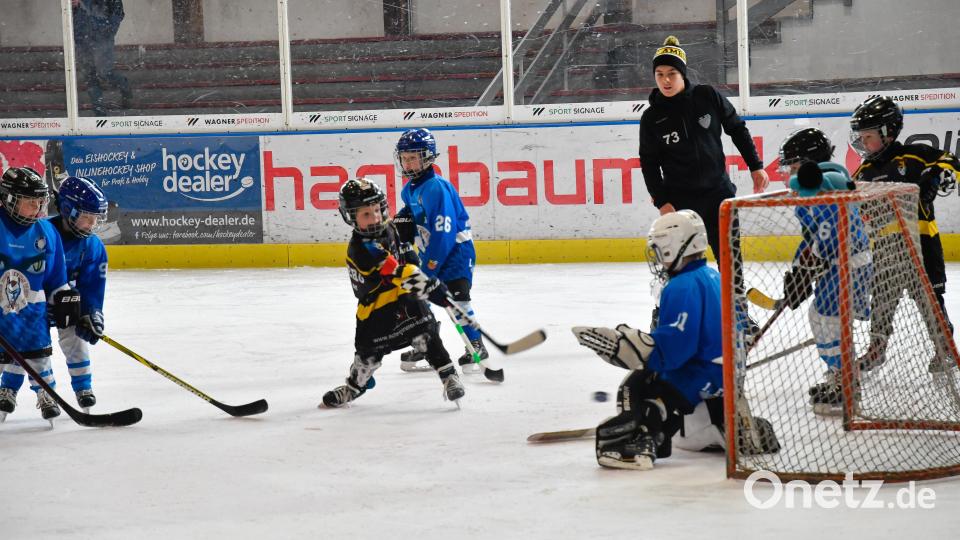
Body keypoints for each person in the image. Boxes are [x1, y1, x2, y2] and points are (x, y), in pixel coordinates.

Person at [572, 210, 779, 470]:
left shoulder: (680, 287)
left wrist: (631, 348)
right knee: (664, 384)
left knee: (640, 385)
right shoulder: (716, 276)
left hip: (701, 374)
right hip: (728, 377)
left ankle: (643, 440)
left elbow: (676, 349)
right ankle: (726, 424)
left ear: (673, 247)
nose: (657, 256)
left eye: (659, 248)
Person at [638, 36, 767, 343]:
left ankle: (738, 312)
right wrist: (662, 202)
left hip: (718, 194)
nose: (666, 80)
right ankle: (667, 313)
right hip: (680, 202)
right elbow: (648, 163)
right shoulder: (652, 118)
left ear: (683, 75)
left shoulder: (707, 96)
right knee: (678, 263)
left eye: (672, 74)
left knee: (729, 258)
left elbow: (737, 127)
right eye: (660, 75)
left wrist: (756, 165)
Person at [321, 178, 464, 408]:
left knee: (426, 333)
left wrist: (412, 258)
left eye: (377, 210)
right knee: (368, 356)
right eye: (366, 214)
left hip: (404, 298)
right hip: (375, 309)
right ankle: (354, 387)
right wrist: (428, 286)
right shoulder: (361, 248)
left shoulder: (389, 227)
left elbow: (403, 252)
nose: (375, 217)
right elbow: (396, 270)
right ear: (351, 217)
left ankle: (448, 375)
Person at [849, 96, 959, 373]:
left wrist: (938, 175)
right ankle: (877, 349)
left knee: (931, 299)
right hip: (886, 248)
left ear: (888, 132)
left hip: (923, 244)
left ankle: (944, 347)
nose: (863, 142)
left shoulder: (913, 155)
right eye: (860, 137)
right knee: (883, 300)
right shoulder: (864, 171)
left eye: (868, 136)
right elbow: (854, 208)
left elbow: (950, 160)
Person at [393, 128, 503, 383]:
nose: (408, 163)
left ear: (428, 157)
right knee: (418, 302)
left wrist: (429, 268)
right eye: (405, 157)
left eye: (414, 157)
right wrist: (403, 221)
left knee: (458, 299)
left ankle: (476, 346)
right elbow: (412, 216)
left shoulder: (437, 188)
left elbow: (444, 233)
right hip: (431, 252)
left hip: (455, 253)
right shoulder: (409, 189)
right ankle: (426, 345)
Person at [778, 130, 871, 415]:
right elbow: (811, 237)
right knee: (823, 318)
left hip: (851, 266)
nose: (791, 173)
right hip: (838, 267)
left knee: (828, 319)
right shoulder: (812, 191)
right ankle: (839, 377)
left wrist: (810, 267)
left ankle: (844, 382)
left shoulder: (828, 187)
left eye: (794, 166)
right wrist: (798, 269)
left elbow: (831, 233)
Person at [0, 167, 84, 422]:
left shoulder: (47, 233)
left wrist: (63, 299)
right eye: (30, 201)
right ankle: (8, 388)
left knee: (37, 352)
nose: (37, 208)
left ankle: (45, 392)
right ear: (10, 200)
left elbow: (56, 278)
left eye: (40, 201)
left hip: (32, 309)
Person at [46, 176, 108, 410]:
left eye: (95, 218)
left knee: (76, 335)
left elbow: (92, 286)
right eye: (86, 217)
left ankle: (83, 386)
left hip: (69, 305)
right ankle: (43, 391)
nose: (92, 224)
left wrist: (91, 314)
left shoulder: (93, 246)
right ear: (66, 209)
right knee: (30, 343)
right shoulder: (43, 234)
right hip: (37, 305)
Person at [73, 0, 132, 116]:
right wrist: (74, 8)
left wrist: (107, 30)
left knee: (105, 72)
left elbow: (118, 12)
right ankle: (99, 113)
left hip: (101, 38)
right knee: (90, 76)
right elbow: (70, 13)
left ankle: (125, 87)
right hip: (81, 39)